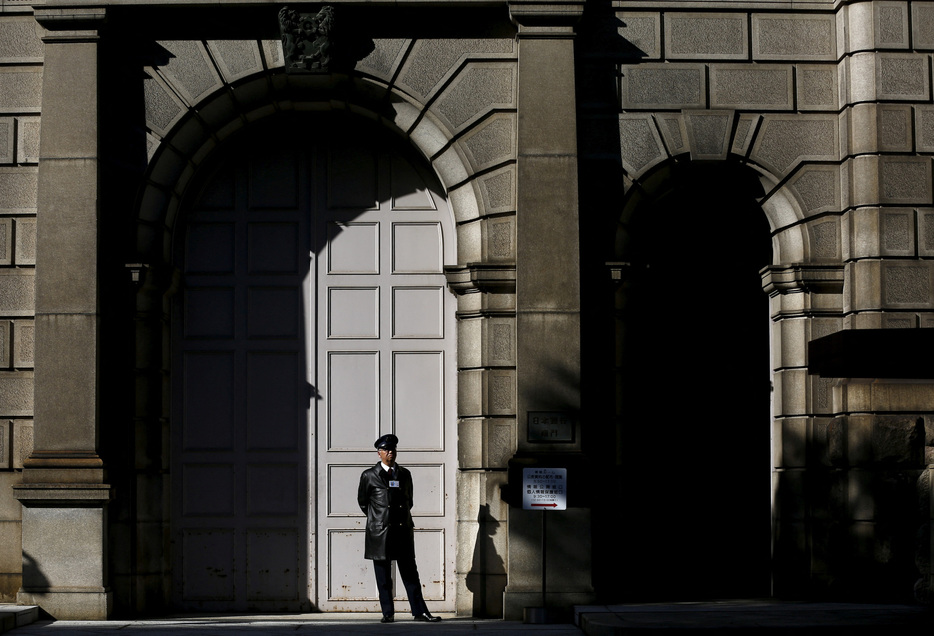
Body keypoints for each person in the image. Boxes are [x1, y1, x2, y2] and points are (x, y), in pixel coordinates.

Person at [357, 434, 442, 623]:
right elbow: (363, 503)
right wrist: (378, 520)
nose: (390, 453)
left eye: (393, 450)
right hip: (380, 533)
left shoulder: (404, 474)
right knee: (383, 577)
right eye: (387, 450)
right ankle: (388, 613)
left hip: (402, 530)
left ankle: (420, 612)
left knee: (411, 574)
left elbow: (408, 500)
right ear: (379, 453)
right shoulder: (369, 476)